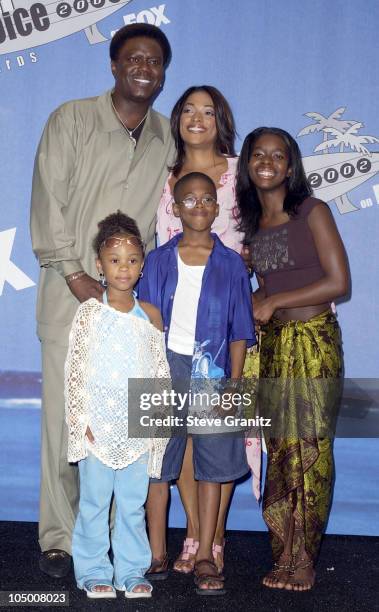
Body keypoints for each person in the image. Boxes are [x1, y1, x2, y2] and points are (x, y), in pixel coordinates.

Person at [30, 23, 174, 578]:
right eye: (134, 58)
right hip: (70, 296)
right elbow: (48, 200)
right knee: (68, 422)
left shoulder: (166, 137)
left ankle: (119, 544)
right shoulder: (71, 119)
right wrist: (71, 273)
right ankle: (60, 538)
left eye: (155, 61)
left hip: (127, 310)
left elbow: (171, 220)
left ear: (163, 74)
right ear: (113, 66)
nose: (144, 68)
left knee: (125, 425)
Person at [236, 127, 349, 591]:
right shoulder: (255, 226)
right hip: (275, 347)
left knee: (311, 451)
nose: (267, 161)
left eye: (277, 155)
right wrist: (257, 299)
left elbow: (338, 282)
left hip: (314, 341)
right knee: (281, 453)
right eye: (258, 154)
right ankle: (283, 553)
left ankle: (305, 559)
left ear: (291, 164)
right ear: (247, 164)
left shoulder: (312, 211)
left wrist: (272, 303)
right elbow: (275, 288)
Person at [154, 84, 259, 577]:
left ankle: (215, 541)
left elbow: (269, 229)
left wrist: (265, 280)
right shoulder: (163, 174)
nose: (198, 118)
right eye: (189, 110)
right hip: (174, 332)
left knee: (221, 434)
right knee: (183, 439)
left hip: (227, 324)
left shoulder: (242, 172)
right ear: (177, 118)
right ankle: (194, 533)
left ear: (222, 119)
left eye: (208, 111)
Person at [139, 172, 255, 595]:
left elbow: (241, 329)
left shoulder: (231, 265)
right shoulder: (155, 261)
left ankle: (206, 552)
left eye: (208, 198)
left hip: (215, 372)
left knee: (212, 464)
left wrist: (234, 388)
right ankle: (155, 552)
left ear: (217, 208)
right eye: (190, 199)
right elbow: (144, 325)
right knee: (157, 464)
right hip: (162, 368)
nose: (200, 205)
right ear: (174, 207)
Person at [65, 212, 170, 599]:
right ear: (99, 265)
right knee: (94, 502)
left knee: (132, 504)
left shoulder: (152, 317)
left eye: (131, 260)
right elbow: (76, 373)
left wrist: (154, 426)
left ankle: (131, 570)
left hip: (136, 429)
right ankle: (93, 571)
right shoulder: (89, 315)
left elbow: (158, 376)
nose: (122, 268)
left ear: (142, 264)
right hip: (98, 428)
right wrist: (82, 422)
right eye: (114, 260)